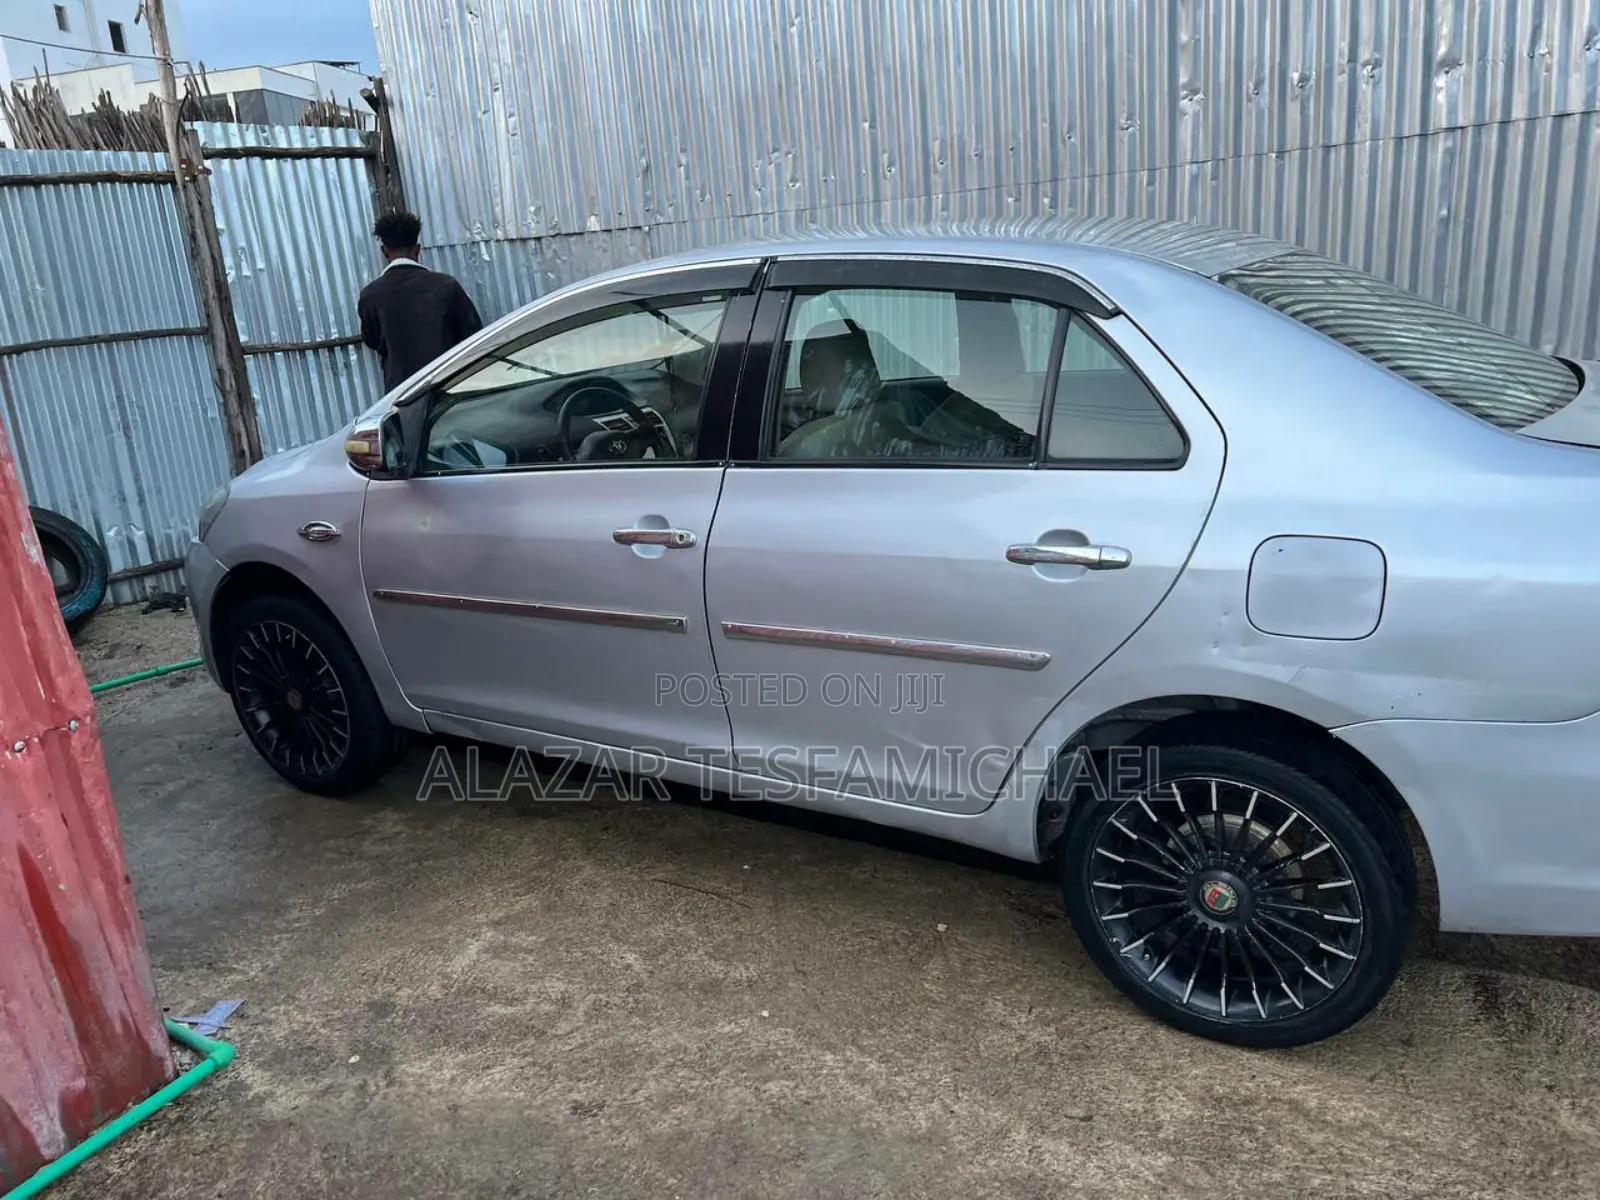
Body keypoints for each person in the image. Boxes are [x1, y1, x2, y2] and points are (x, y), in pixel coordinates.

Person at [357, 211, 484, 391]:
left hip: (401, 395)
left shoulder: (370, 295)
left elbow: (372, 340)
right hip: (450, 389)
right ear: (417, 249)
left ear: (384, 251)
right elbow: (473, 336)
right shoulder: (446, 286)